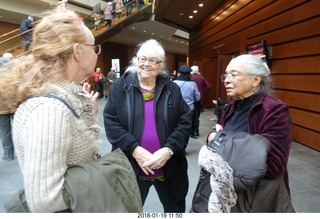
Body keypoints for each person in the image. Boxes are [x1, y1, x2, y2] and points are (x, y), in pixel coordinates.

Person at [0, 7, 102, 212]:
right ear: (77, 51)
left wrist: (86, 115)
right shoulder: (48, 110)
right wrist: (102, 179)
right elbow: (44, 200)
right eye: (94, 47)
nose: (97, 52)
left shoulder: (65, 95)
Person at [103, 39, 192, 212]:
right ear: (136, 60)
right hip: (131, 168)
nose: (146, 64)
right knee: (128, 211)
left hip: (168, 167)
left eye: (153, 60)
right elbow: (111, 123)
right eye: (142, 58)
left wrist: (168, 150)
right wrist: (135, 149)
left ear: (160, 65)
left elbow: (185, 122)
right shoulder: (120, 87)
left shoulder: (171, 88)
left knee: (174, 209)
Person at [206, 54, 293, 212]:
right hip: (228, 193)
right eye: (226, 75)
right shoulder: (230, 107)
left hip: (257, 198)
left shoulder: (274, 110)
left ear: (256, 80)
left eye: (234, 74)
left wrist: (220, 140)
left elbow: (274, 166)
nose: (226, 80)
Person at [173, 65, 201, 138]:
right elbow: (198, 97)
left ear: (180, 73)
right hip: (189, 108)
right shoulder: (192, 83)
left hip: (176, 108)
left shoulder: (174, 82)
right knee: (188, 125)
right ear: (189, 74)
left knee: (177, 124)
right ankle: (191, 134)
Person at [0, 53, 14, 161]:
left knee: (5, 131)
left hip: (1, 107)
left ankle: (8, 154)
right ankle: (26, 150)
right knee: (22, 127)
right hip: (15, 102)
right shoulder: (13, 69)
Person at [190, 65, 211, 136]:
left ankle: (192, 131)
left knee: (191, 116)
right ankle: (196, 130)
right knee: (197, 116)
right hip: (200, 99)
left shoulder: (190, 78)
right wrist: (204, 93)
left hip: (191, 99)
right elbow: (208, 86)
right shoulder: (201, 78)